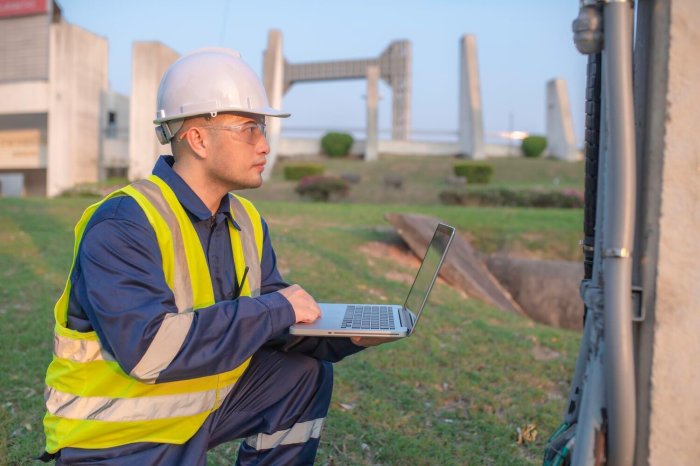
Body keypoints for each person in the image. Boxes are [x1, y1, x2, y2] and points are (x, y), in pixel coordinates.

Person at [41, 47, 390, 465]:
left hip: (192, 412)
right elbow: (148, 351)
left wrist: (345, 335)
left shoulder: (245, 219)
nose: (264, 145)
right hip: (116, 434)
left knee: (302, 374)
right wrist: (274, 309)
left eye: (263, 129)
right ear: (199, 139)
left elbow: (277, 322)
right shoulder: (123, 222)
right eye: (249, 129)